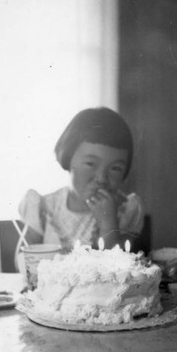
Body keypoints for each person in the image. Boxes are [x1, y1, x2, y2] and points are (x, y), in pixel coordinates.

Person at [19, 107, 144, 251]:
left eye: (115, 168)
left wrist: (108, 223)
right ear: (67, 158)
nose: (102, 178)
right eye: (90, 164)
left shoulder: (126, 210)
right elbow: (23, 261)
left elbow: (119, 267)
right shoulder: (44, 207)